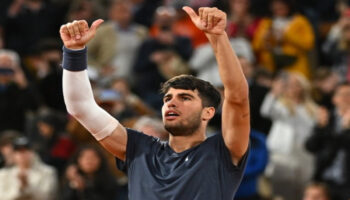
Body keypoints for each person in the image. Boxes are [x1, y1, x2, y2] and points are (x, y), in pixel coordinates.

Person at [59, 6, 250, 200]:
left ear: (208, 112)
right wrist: (74, 52)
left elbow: (237, 97)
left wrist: (218, 38)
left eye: (185, 98)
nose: (172, 103)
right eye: (168, 98)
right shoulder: (140, 148)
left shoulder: (222, 150)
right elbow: (81, 107)